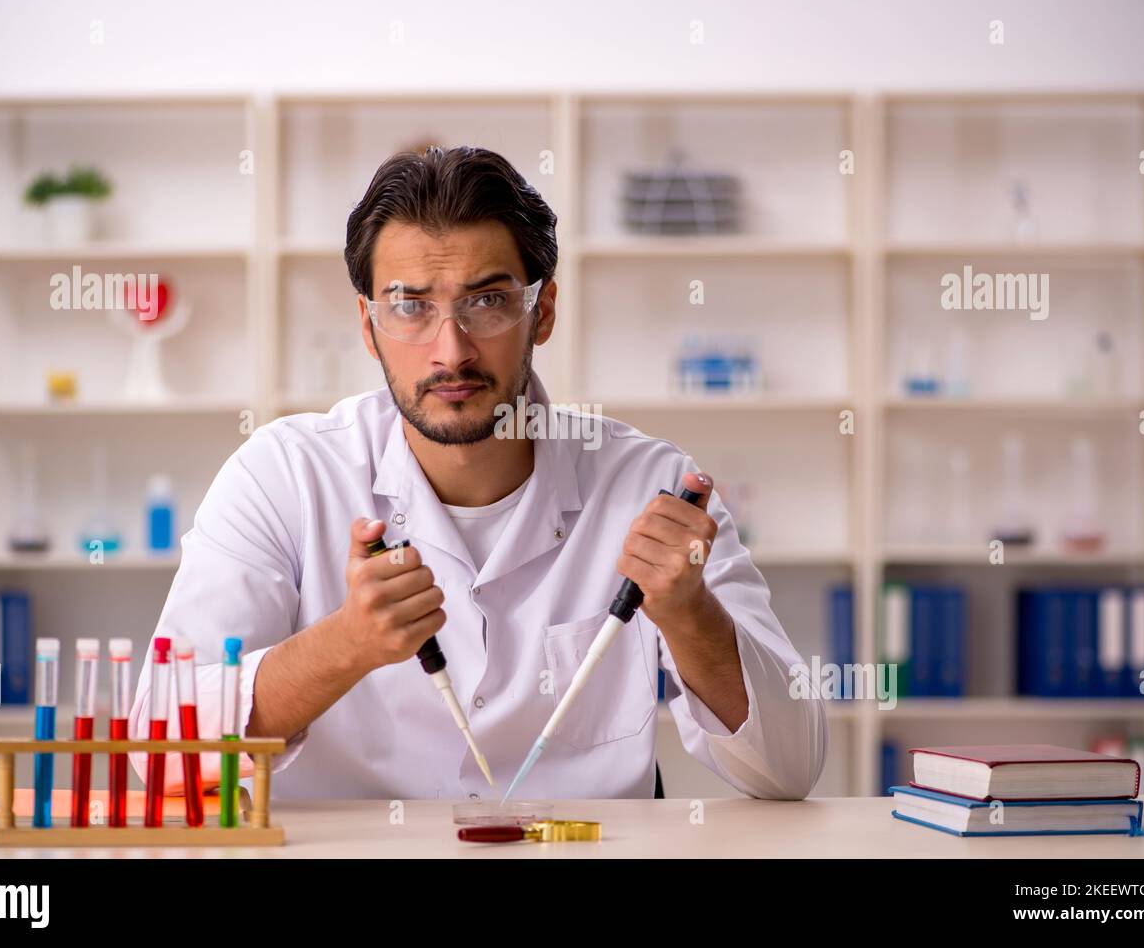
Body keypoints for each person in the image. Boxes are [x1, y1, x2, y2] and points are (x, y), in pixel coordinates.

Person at [129, 145, 827, 800]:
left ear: (541, 310)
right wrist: (343, 645)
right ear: (369, 326)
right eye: (411, 306)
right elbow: (157, 758)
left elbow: (791, 769)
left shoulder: (652, 485)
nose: (450, 350)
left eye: (487, 301)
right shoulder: (281, 476)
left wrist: (690, 614)